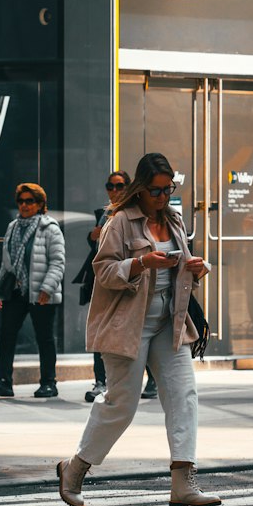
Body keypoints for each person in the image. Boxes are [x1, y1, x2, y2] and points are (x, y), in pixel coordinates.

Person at [56, 152, 221, 506]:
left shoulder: (175, 219)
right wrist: (141, 262)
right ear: (140, 189)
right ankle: (74, 469)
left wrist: (195, 267)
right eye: (156, 191)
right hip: (127, 325)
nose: (162, 197)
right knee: (123, 404)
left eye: (168, 190)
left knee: (184, 396)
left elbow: (180, 267)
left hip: (169, 323)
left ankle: (183, 481)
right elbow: (104, 272)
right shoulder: (120, 222)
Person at [73, 171, 158, 405]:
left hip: (131, 282)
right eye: (109, 186)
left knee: (140, 332)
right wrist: (94, 236)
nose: (114, 190)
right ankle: (100, 381)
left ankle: (151, 379)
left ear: (129, 187)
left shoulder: (132, 215)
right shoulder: (104, 213)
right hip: (105, 281)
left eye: (119, 186)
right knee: (103, 331)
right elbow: (100, 250)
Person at [0, 183, 65, 400]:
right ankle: (3, 381)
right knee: (7, 335)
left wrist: (47, 288)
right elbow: (6, 264)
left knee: (44, 337)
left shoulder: (50, 228)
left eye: (30, 201)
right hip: (17, 291)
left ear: (40, 204)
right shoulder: (12, 227)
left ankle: (48, 383)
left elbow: (58, 262)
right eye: (21, 201)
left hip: (40, 292)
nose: (25, 205)